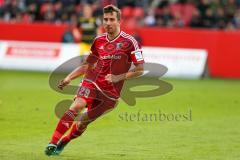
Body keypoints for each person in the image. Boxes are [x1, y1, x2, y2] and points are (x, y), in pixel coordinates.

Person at [45, 4, 145, 156]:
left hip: (110, 93)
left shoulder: (130, 42)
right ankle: (52, 142)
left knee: (82, 123)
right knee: (77, 105)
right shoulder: (98, 41)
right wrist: (68, 78)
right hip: (92, 80)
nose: (108, 23)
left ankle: (65, 140)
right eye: (105, 19)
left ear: (119, 21)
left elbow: (140, 70)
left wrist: (117, 77)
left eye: (111, 19)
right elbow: (88, 65)